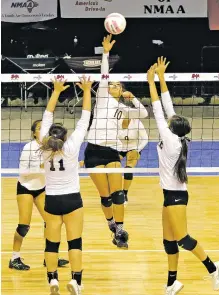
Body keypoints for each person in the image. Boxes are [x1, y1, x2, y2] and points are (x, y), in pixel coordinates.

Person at [147, 57, 219, 295]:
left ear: (172, 127)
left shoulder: (171, 140)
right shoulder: (177, 136)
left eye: (170, 121)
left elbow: (158, 109)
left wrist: (150, 81)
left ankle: (214, 268)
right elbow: (168, 108)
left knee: (182, 239)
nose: (169, 119)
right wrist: (161, 77)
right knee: (168, 241)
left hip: (176, 196)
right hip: (169, 194)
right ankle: (172, 283)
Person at [84, 34, 148, 249]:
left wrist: (133, 98)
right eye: (113, 84)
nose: (116, 86)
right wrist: (105, 53)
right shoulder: (102, 99)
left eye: (119, 85)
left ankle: (120, 229)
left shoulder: (123, 108)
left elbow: (144, 115)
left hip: (112, 151)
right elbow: (103, 76)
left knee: (117, 193)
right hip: (93, 151)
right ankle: (111, 223)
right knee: (105, 197)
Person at [39, 77, 92, 295]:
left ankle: (52, 280)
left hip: (51, 199)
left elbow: (47, 115)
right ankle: (76, 282)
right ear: (65, 137)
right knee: (75, 242)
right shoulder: (71, 147)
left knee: (52, 244)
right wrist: (87, 90)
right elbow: (85, 118)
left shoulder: (42, 146)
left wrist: (56, 91)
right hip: (72, 199)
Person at [9, 120, 68, 271]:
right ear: (34, 132)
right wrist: (41, 167)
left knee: (51, 222)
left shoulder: (51, 147)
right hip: (26, 187)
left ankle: (49, 257)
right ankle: (14, 258)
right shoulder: (29, 148)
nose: (43, 130)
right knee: (24, 226)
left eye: (45, 128)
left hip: (41, 188)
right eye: (39, 128)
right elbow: (23, 172)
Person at [118, 117, 148, 204]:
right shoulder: (115, 121)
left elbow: (145, 138)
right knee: (112, 167)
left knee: (128, 169)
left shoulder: (136, 122)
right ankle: (115, 191)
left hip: (134, 148)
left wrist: (137, 150)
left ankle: (124, 193)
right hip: (119, 147)